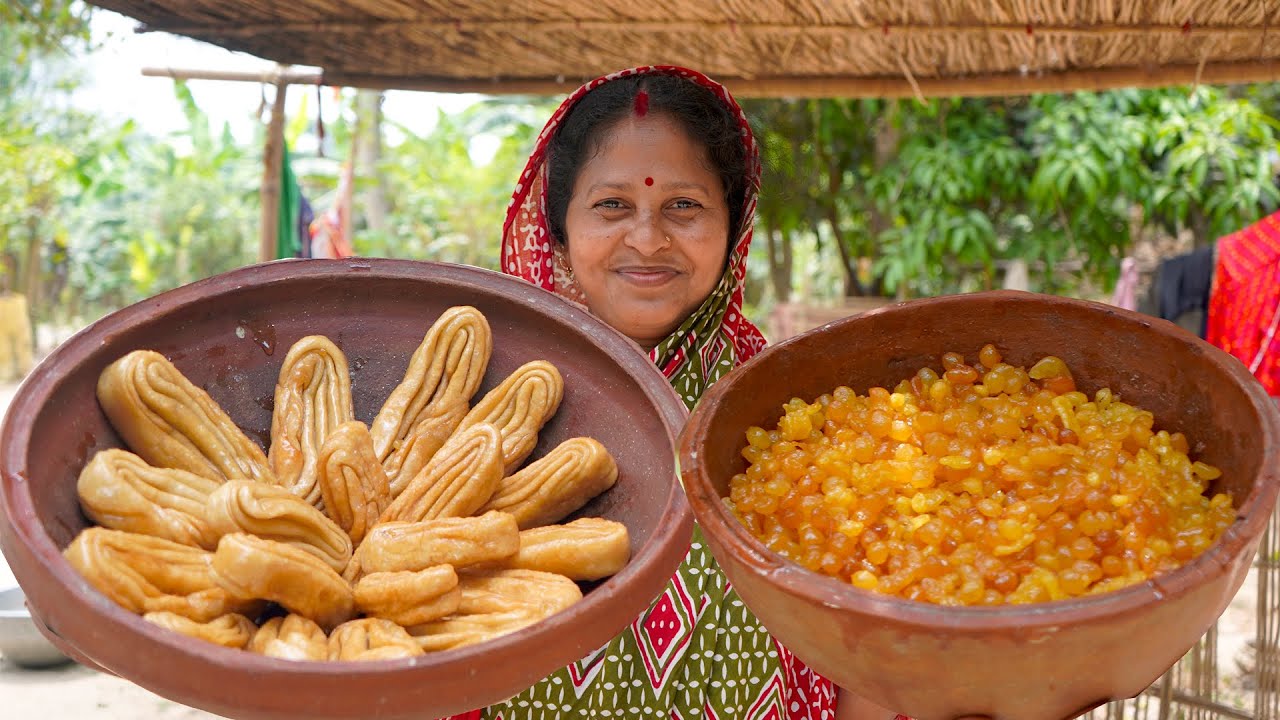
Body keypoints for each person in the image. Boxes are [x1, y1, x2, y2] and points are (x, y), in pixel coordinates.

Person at [446, 66, 905, 720]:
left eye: (683, 206)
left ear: (734, 224)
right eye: (612, 205)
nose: (647, 239)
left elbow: (870, 647)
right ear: (559, 230)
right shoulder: (484, 408)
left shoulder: (795, 415)